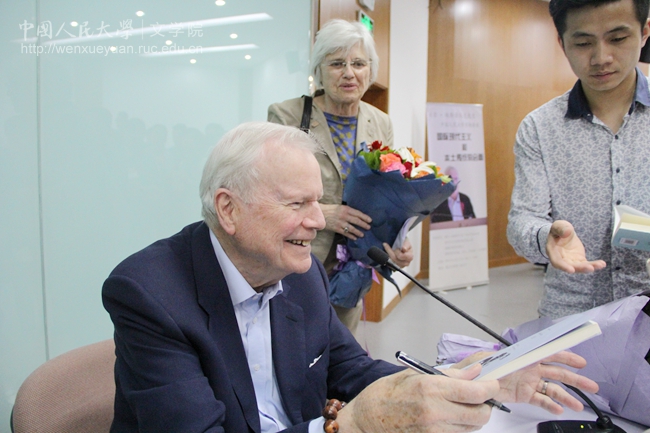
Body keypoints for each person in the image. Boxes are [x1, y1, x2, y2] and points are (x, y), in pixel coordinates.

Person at [103, 122, 598, 433]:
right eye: (298, 204)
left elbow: (353, 371)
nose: (319, 221)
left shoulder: (300, 274)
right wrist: (352, 426)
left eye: (319, 202)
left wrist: (472, 381)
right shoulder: (148, 294)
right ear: (228, 210)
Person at [507, 0, 650, 319]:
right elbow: (521, 222)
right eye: (583, 43)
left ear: (644, 32)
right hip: (570, 316)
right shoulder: (540, 127)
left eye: (617, 38)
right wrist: (546, 237)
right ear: (562, 43)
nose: (601, 58)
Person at [268, 19, 412, 332]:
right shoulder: (287, 115)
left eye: (359, 63)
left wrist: (397, 240)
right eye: (337, 63)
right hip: (299, 256)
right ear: (319, 70)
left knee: (341, 347)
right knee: (292, 342)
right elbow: (270, 190)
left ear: (370, 70)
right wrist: (324, 214)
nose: (349, 73)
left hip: (353, 268)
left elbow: (386, 194)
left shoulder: (381, 122)